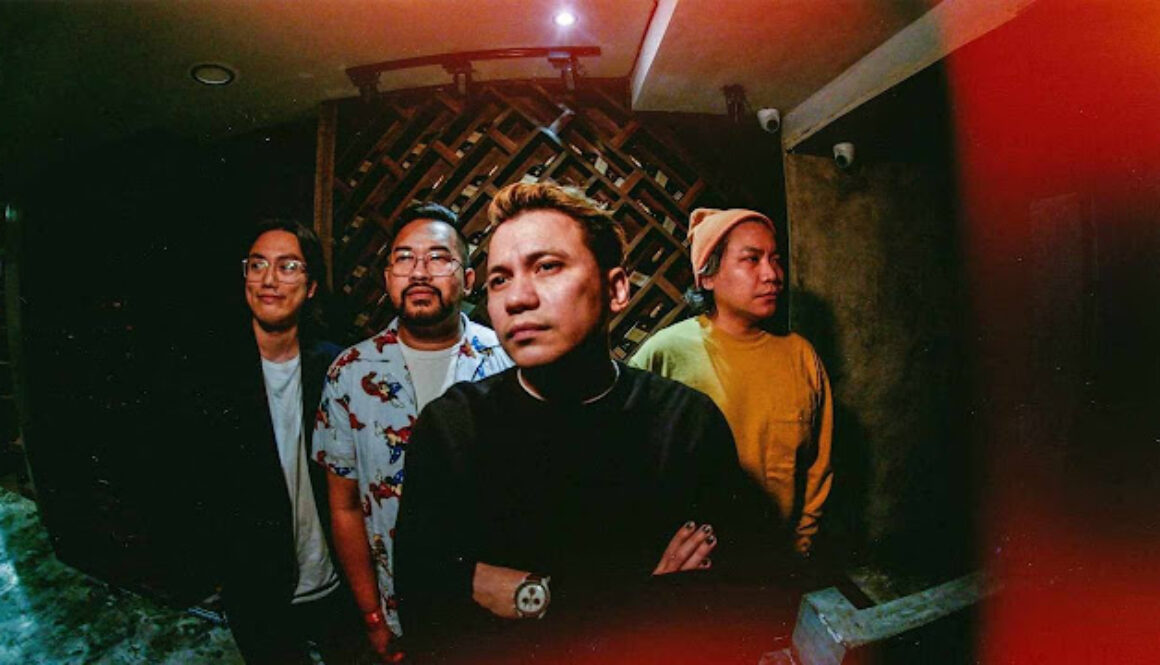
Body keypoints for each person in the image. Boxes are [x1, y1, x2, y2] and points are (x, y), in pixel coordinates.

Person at [393, 183, 775, 659]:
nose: (517, 298)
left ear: (616, 289)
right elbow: (428, 616)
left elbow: (724, 611)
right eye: (500, 279)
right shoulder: (453, 427)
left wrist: (532, 595)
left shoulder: (685, 424)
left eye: (547, 266)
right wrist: (643, 595)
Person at [314, 203, 512, 661]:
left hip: (495, 610)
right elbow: (344, 506)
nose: (420, 272)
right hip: (401, 607)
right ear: (388, 278)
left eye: (439, 257)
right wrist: (373, 616)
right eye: (404, 258)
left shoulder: (506, 360)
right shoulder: (350, 373)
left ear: (468, 279)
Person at [630, 208, 833, 557]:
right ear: (707, 276)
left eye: (775, 259)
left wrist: (801, 545)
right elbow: (625, 457)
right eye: (751, 259)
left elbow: (818, 465)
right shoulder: (667, 352)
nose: (772, 274)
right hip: (694, 566)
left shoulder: (799, 354)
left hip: (778, 557)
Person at [218, 219, 363, 665]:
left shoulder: (336, 367)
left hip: (338, 582)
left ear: (312, 286)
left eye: (287, 266)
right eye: (257, 264)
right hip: (260, 593)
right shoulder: (212, 373)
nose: (268, 279)